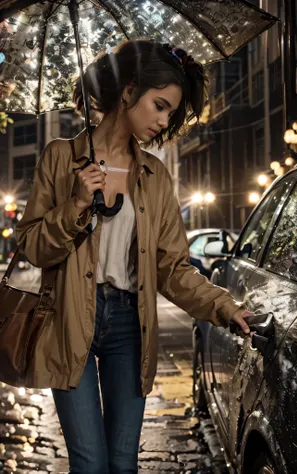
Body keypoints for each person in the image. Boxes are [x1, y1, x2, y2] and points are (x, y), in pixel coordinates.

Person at [15, 39, 253, 474]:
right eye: (159, 105)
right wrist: (76, 205)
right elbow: (31, 246)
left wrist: (223, 305)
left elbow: (173, 268)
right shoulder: (61, 157)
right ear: (128, 92)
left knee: (123, 464)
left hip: (130, 324)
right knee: (90, 463)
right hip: (69, 322)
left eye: (170, 113)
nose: (163, 122)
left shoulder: (155, 176)